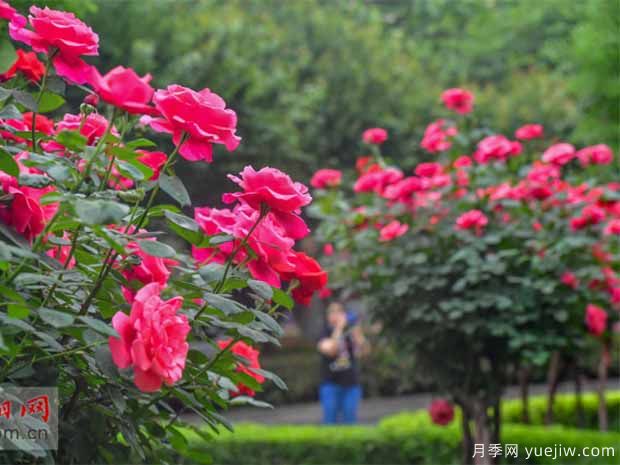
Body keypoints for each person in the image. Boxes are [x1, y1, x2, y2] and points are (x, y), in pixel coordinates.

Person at [317, 302, 369, 424]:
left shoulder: (350, 333)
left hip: (351, 384)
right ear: (327, 315)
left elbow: (365, 352)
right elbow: (331, 349)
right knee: (330, 421)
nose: (336, 315)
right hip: (330, 385)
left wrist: (358, 334)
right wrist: (339, 328)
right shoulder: (324, 333)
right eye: (332, 311)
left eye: (339, 311)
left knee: (350, 420)